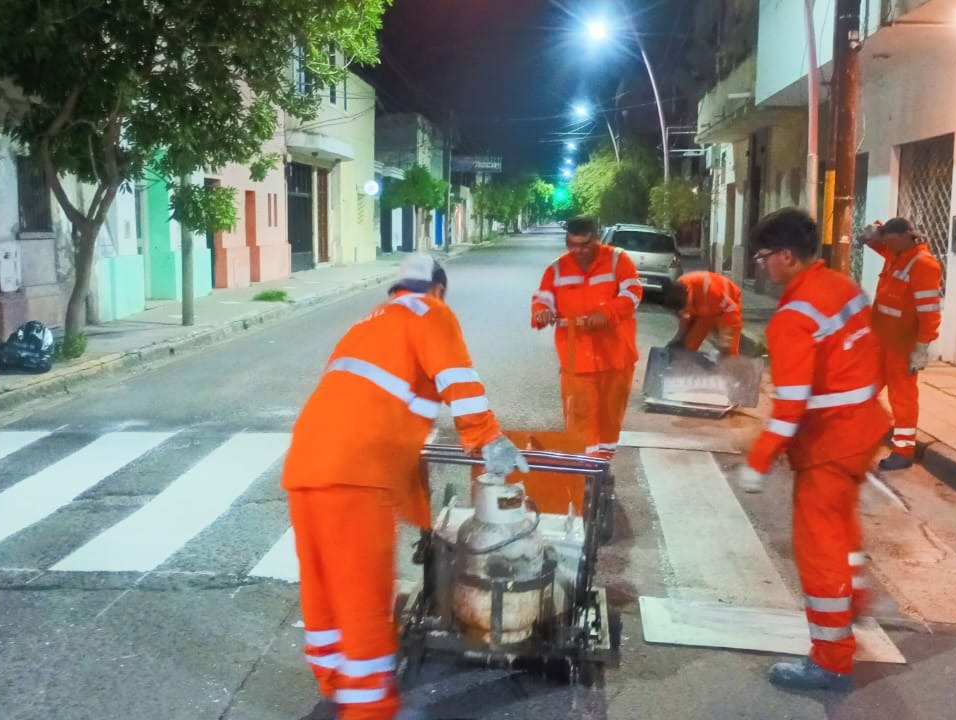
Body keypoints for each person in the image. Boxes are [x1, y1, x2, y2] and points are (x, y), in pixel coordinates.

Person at [282, 253, 528, 720]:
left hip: (306, 467)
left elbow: (378, 406)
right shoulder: (431, 311)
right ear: (438, 289)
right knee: (363, 599)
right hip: (357, 473)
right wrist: (487, 437)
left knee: (324, 588)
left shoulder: (364, 326)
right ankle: (369, 708)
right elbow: (458, 377)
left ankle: (335, 683)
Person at [737, 208, 889, 692]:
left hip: (826, 446)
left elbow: (791, 404)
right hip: (861, 434)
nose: (760, 266)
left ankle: (831, 660)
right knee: (843, 534)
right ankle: (856, 604)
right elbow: (874, 354)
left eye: (763, 257)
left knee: (819, 551)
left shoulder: (793, 318)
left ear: (787, 257)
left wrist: (759, 461)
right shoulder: (843, 290)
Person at [530, 216, 643, 458]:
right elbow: (543, 298)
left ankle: (601, 468)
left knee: (610, 420)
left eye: (585, 245)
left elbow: (633, 293)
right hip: (576, 358)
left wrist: (606, 312)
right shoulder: (557, 269)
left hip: (615, 356)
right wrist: (541, 312)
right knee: (579, 418)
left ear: (597, 237)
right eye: (572, 245)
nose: (578, 251)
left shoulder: (617, 260)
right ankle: (585, 471)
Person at [861, 217, 943, 471]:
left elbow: (930, 312)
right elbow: (874, 242)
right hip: (881, 341)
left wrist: (921, 347)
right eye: (886, 242)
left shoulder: (923, 265)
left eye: (891, 240)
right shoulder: (897, 254)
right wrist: (874, 231)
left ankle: (903, 451)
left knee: (902, 399)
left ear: (905, 237)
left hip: (902, 347)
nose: (887, 245)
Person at [662, 270, 744, 356]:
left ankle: (730, 366)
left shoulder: (711, 290)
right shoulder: (678, 291)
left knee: (729, 350)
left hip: (727, 309)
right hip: (706, 312)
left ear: (687, 295)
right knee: (688, 346)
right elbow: (685, 318)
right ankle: (684, 365)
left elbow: (731, 309)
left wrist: (725, 337)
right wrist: (677, 339)